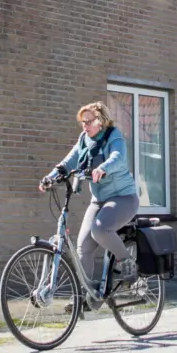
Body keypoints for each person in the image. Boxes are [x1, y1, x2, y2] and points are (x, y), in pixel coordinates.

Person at [42, 101, 140, 292]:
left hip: (123, 198)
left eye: (88, 121)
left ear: (101, 121)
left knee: (100, 229)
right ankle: (87, 297)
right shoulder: (84, 139)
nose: (84, 126)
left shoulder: (114, 136)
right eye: (82, 122)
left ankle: (128, 262)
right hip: (99, 200)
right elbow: (68, 162)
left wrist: (103, 168)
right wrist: (50, 177)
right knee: (83, 247)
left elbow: (118, 158)